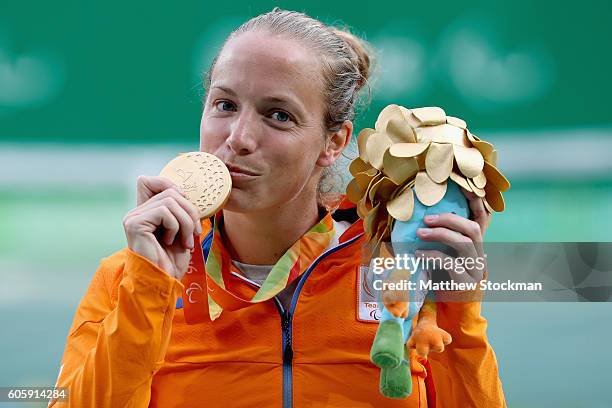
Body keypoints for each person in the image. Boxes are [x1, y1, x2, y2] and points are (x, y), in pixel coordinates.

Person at [49, 8, 506, 408]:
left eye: (278, 115)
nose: (239, 139)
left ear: (334, 143)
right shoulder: (128, 278)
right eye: (225, 104)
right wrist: (149, 290)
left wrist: (458, 311)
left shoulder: (399, 270)